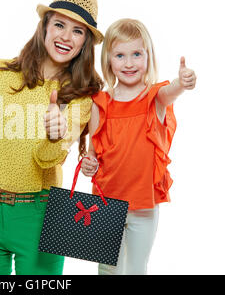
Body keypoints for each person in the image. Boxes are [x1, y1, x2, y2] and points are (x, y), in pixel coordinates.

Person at [0, 0, 104, 275]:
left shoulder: (81, 97)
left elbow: (46, 160)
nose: (65, 36)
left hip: (42, 215)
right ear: (45, 27)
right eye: (59, 25)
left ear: (85, 42)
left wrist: (56, 133)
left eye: (77, 31)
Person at [81, 18, 196, 275]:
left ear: (148, 56)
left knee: (135, 269)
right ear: (108, 59)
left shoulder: (155, 98)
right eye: (120, 55)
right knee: (107, 268)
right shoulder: (100, 103)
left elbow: (172, 92)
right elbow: (92, 154)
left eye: (136, 54)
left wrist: (182, 82)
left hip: (144, 205)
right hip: (105, 201)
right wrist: (89, 164)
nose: (129, 63)